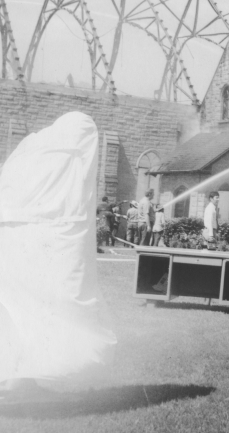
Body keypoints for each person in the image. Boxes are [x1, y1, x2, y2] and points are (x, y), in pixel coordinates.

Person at [0, 112, 116, 400]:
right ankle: (17, 379)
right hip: (44, 240)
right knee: (44, 309)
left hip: (21, 240)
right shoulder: (68, 152)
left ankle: (20, 379)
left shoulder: (32, 151)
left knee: (24, 311)